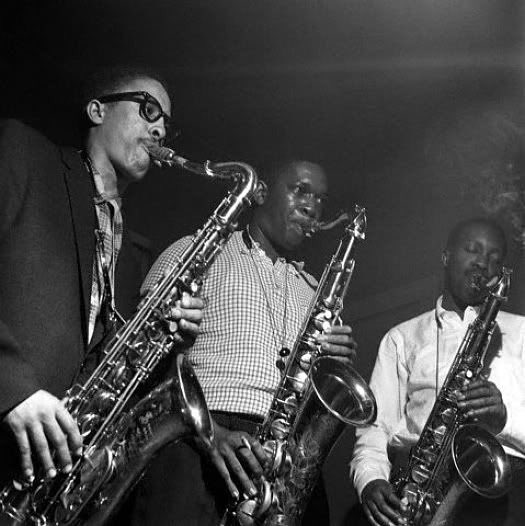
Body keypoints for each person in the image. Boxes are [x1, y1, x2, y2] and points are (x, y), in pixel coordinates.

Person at [0, 67, 203, 495]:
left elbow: (111, 370)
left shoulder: (133, 253)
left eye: (166, 122)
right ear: (97, 110)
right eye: (148, 109)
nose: (160, 128)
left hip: (44, 473)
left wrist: (169, 342)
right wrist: (12, 387)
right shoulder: (21, 152)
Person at [131, 160, 358, 525]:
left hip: (288, 463)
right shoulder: (197, 251)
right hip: (199, 442)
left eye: (320, 198)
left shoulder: (317, 291)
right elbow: (141, 363)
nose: (312, 207)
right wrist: (209, 432)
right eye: (300, 190)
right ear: (262, 192)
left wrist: (335, 364)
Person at [350, 217, 525, 526]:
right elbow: (375, 428)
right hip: (419, 489)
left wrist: (504, 420)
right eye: (473, 249)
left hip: (505, 498)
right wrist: (370, 479)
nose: (483, 263)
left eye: (495, 258)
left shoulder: (521, 331)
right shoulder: (401, 337)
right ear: (446, 256)